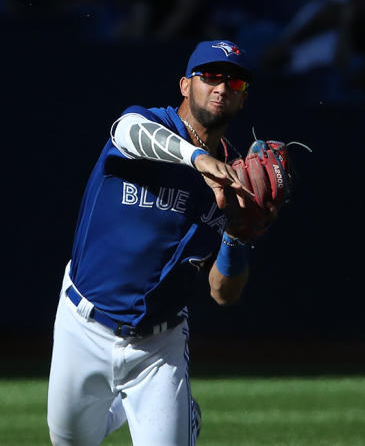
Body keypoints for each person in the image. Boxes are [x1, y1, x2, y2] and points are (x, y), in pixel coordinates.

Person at [47, 40, 266, 445]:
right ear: (185, 85)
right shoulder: (148, 124)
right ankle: (128, 410)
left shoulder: (235, 181)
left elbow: (223, 293)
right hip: (84, 322)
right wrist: (197, 159)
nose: (222, 87)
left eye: (234, 81)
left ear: (243, 97)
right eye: (211, 76)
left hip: (158, 345)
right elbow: (127, 132)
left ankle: (177, 418)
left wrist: (238, 234)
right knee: (69, 441)